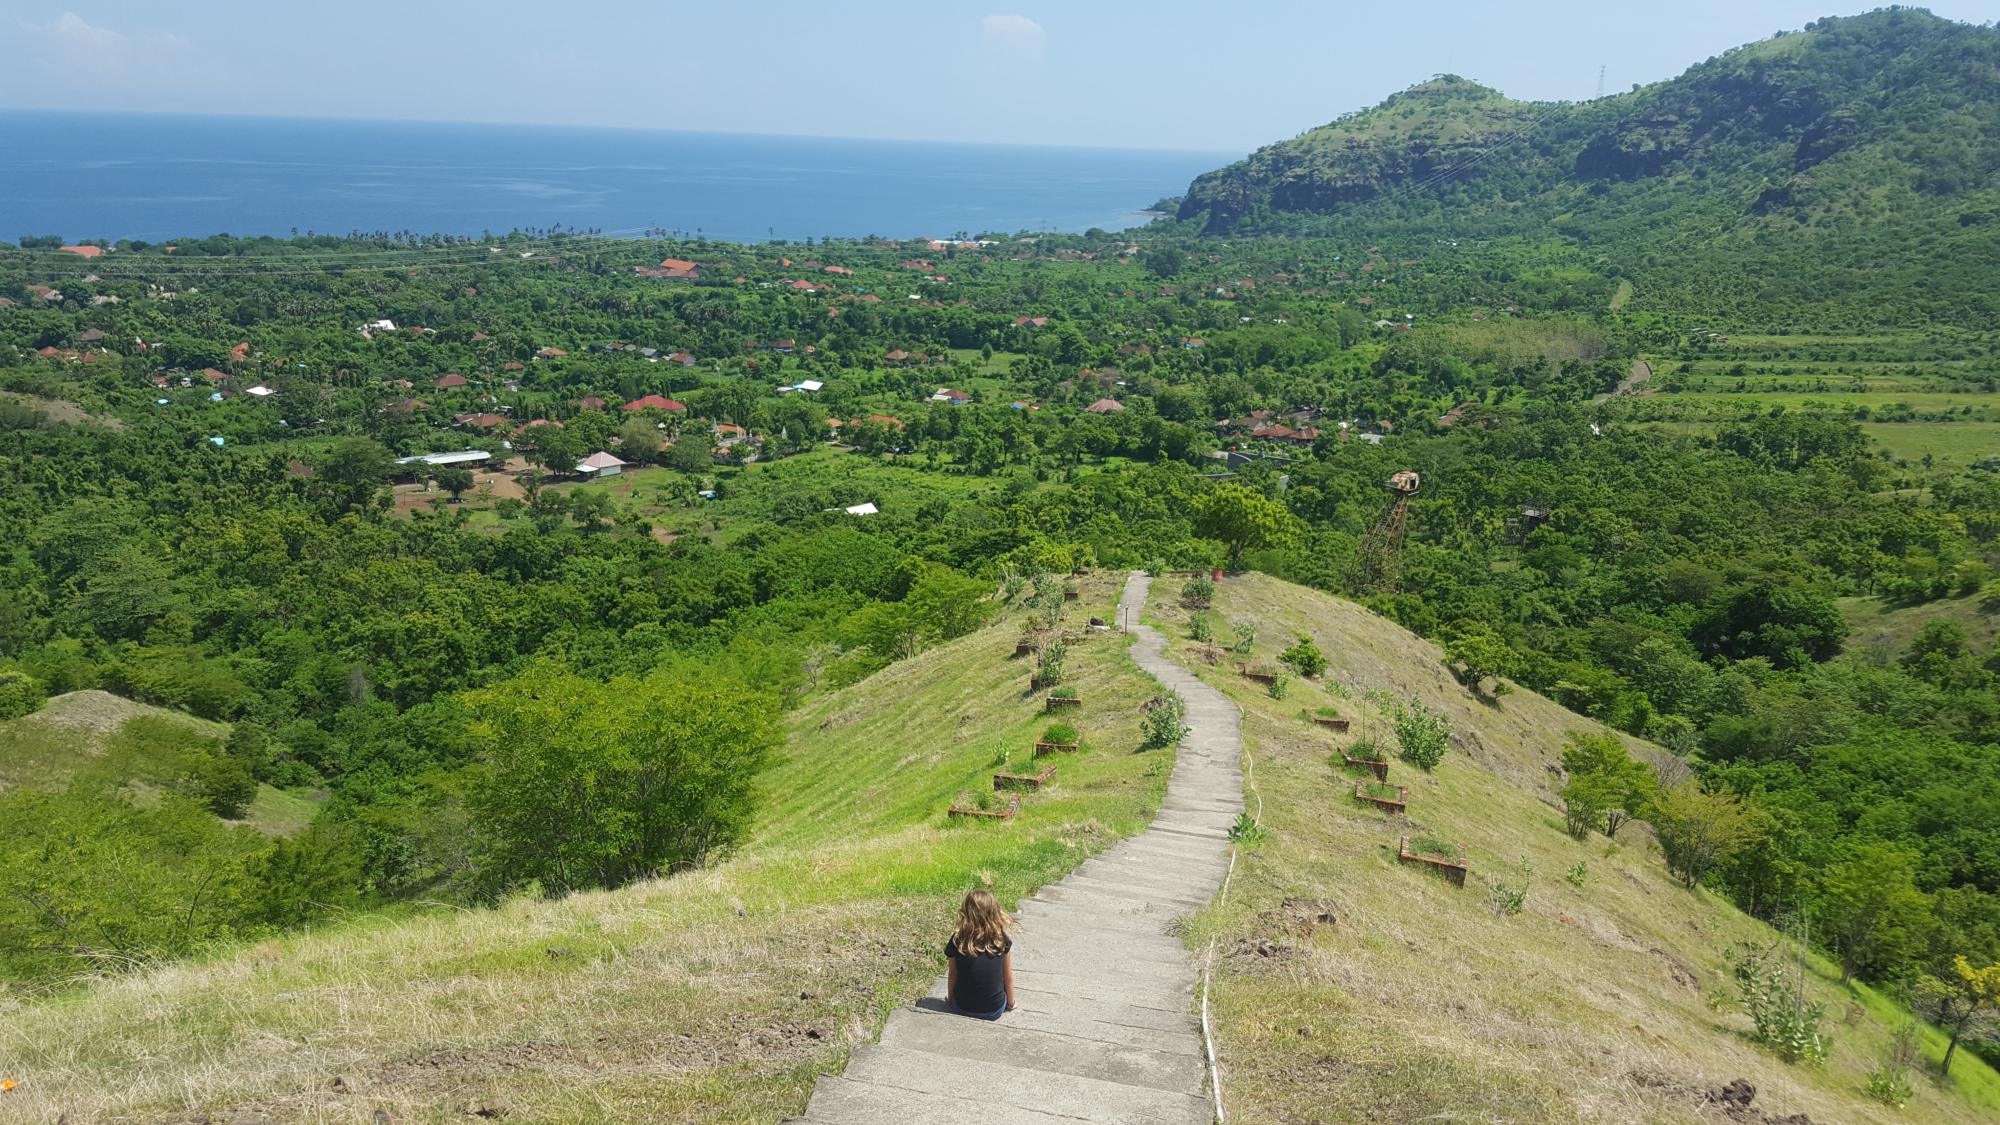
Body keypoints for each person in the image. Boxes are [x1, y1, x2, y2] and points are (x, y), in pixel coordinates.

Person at [944, 889, 1016, 1020]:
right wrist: (1010, 1003)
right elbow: (1008, 976)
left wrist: (950, 999)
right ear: (994, 912)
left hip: (961, 1007)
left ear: (966, 912)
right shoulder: (1000, 940)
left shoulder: (958, 939)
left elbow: (952, 974)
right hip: (993, 1010)